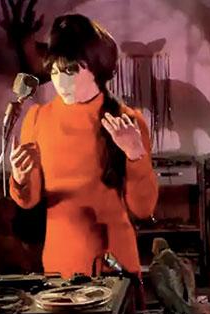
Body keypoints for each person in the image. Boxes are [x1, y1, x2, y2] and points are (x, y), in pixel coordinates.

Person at [9, 14, 158, 278]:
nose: (61, 83)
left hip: (115, 263)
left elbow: (143, 209)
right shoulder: (37, 118)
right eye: (55, 71)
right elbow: (28, 201)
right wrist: (20, 180)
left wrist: (136, 156)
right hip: (61, 263)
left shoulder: (127, 121)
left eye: (71, 70)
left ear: (97, 68)